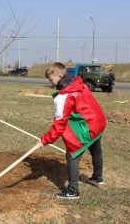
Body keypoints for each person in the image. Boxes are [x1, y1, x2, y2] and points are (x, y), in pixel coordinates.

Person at [35, 62, 106, 199]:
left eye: (51, 80)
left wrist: (44, 140)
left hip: (88, 125)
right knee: (96, 149)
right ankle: (98, 177)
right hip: (97, 121)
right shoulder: (78, 83)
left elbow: (59, 124)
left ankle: (72, 191)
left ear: (60, 76)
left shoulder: (63, 96)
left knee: (72, 156)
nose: (51, 83)